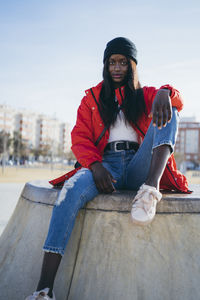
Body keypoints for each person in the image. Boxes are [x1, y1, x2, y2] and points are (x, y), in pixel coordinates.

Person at [25, 37, 190, 300]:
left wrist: (164, 92)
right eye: (112, 62)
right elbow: (79, 137)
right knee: (68, 194)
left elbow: (178, 100)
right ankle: (44, 289)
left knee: (172, 109)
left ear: (132, 65)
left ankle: (150, 190)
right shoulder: (91, 98)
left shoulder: (145, 94)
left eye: (123, 62)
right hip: (104, 165)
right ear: (105, 65)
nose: (117, 67)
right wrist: (95, 165)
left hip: (140, 165)